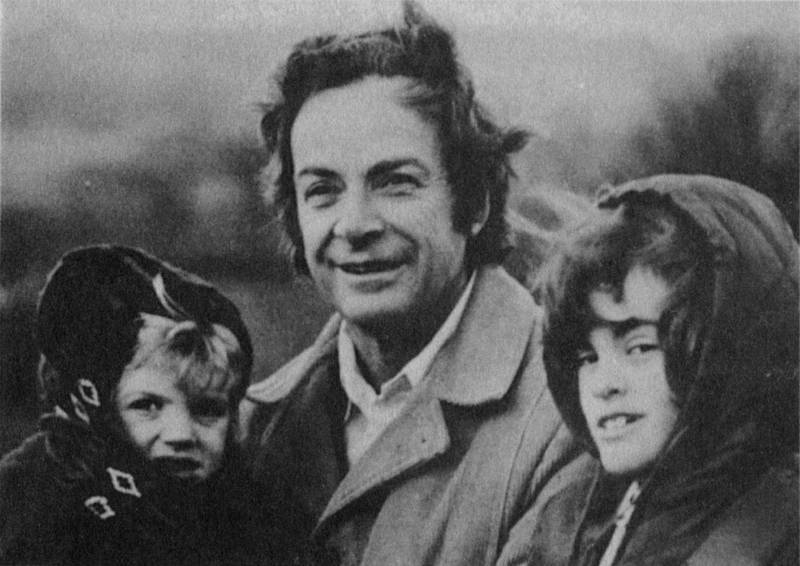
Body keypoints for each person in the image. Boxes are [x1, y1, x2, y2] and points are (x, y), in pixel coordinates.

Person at [241, 2, 582, 564]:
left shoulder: (571, 412)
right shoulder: (255, 424)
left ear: (474, 203)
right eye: (322, 190)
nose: (353, 225)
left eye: (395, 182)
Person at [530, 174, 798, 565]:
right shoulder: (569, 520)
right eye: (588, 358)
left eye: (639, 348)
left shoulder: (776, 531)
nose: (604, 386)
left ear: (718, 351)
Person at [0, 245, 295, 565]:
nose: (181, 434)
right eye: (146, 405)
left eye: (208, 410)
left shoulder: (258, 522)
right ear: (98, 411)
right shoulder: (28, 510)